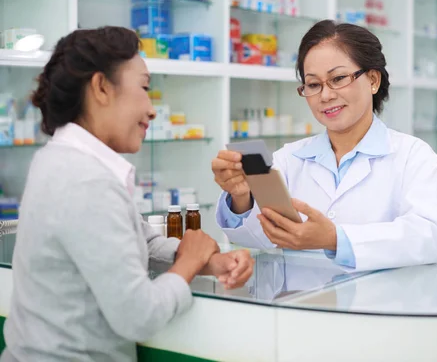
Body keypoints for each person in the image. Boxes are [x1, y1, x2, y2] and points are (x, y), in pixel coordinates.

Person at [0, 27, 254, 362]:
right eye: (145, 88)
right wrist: (190, 262)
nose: (151, 110)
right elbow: (138, 316)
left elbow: (140, 243)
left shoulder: (65, 161)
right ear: (101, 87)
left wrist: (210, 261)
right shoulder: (83, 181)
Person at [212, 20, 437, 272]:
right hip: (303, 305)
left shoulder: (412, 155)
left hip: (379, 306)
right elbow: (257, 238)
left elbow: (429, 237)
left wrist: (335, 239)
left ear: (372, 80)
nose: (325, 96)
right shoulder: (289, 159)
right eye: (313, 85)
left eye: (338, 79)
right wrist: (241, 197)